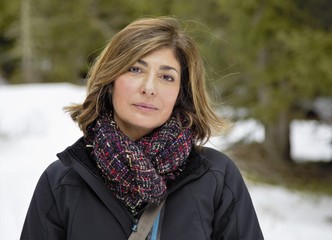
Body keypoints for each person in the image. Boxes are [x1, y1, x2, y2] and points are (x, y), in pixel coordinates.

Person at [20, 17, 263, 240]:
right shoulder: (62, 181)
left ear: (181, 93)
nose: (149, 88)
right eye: (135, 69)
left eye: (167, 77)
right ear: (110, 79)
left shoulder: (216, 177)